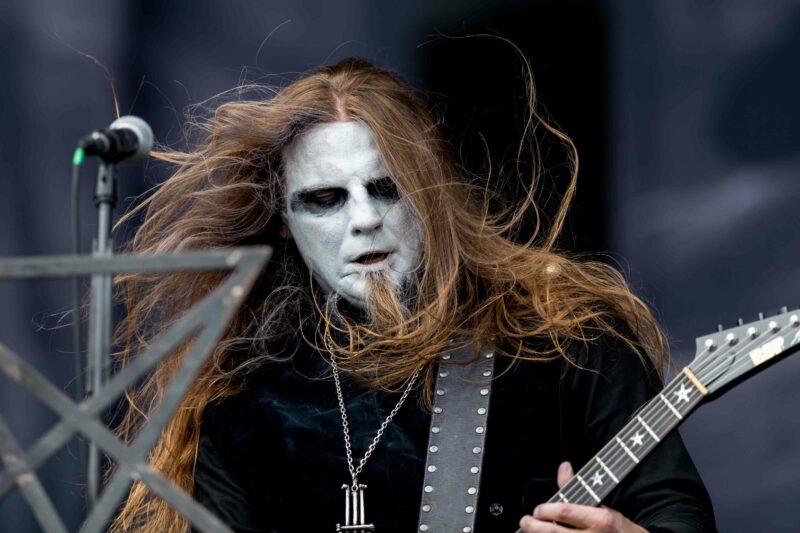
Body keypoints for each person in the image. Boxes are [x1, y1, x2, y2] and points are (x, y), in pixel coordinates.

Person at [111, 57, 716, 532]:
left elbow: (678, 515)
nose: (365, 220)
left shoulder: (565, 339)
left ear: (431, 192)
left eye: (387, 188)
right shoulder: (244, 395)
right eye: (325, 200)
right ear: (283, 221)